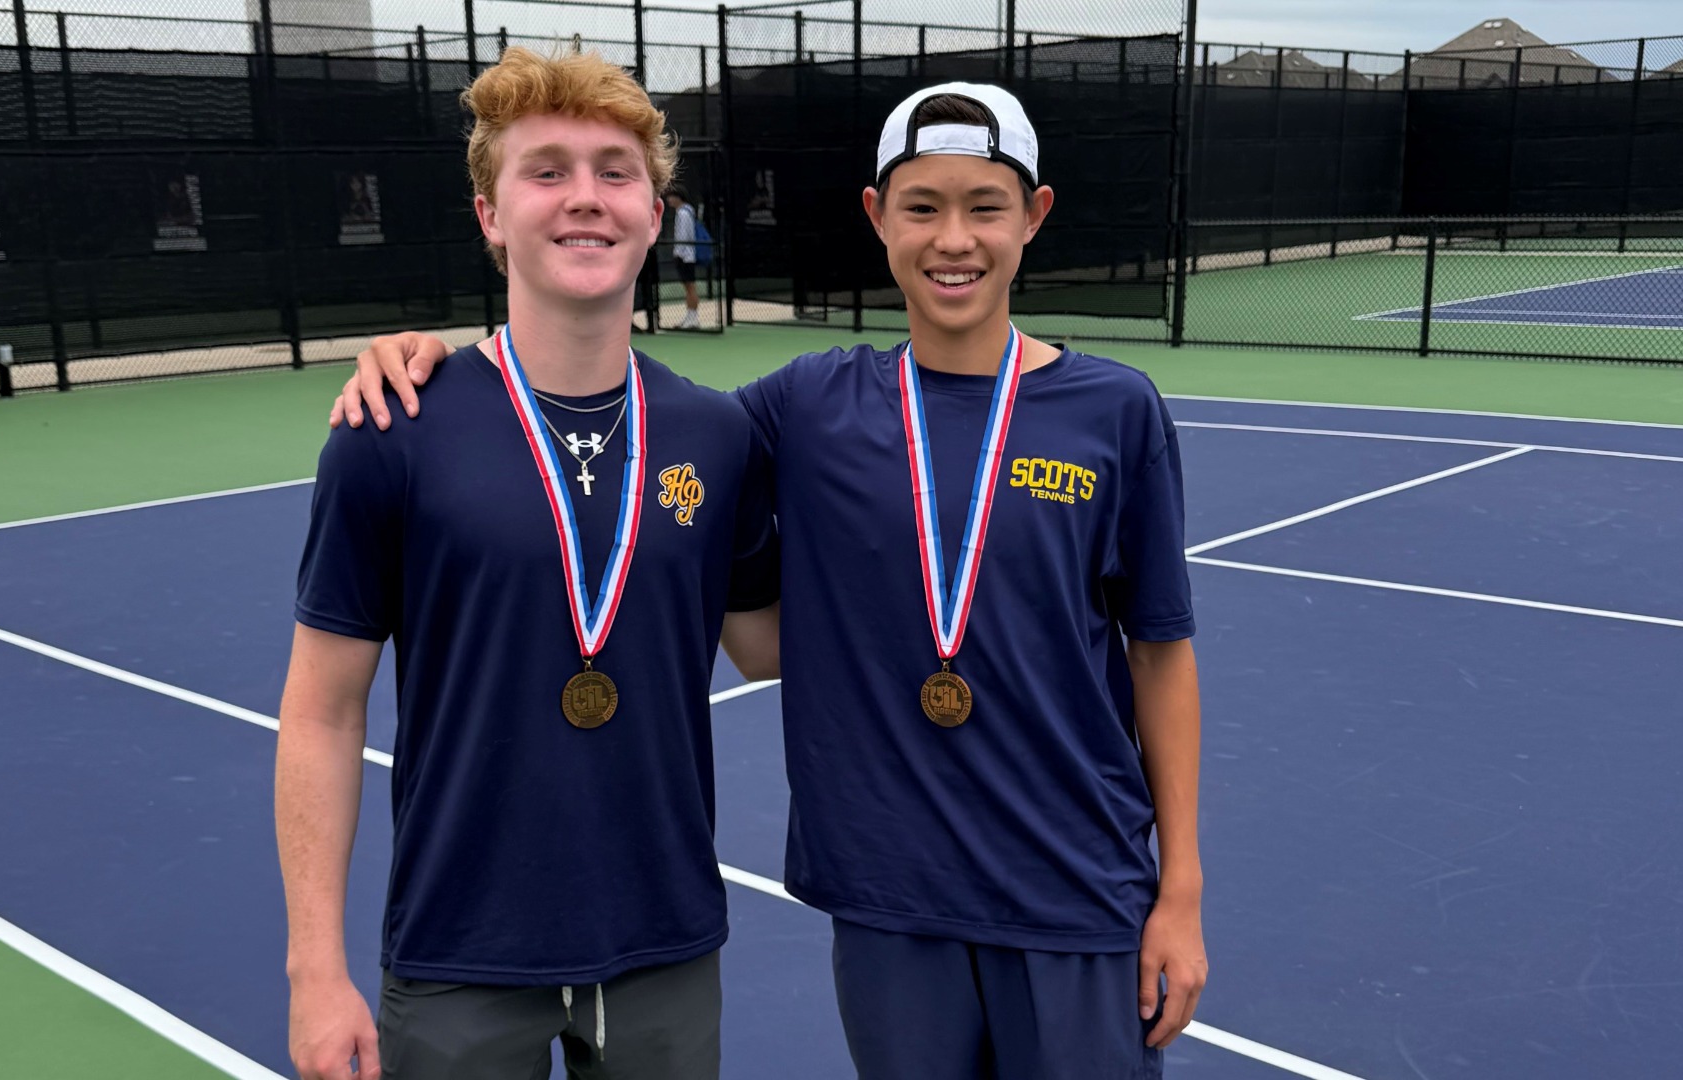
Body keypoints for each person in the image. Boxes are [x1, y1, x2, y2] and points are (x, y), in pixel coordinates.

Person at [331, 82, 1208, 1080]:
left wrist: (1177, 892)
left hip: (1075, 889)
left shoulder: (1114, 411)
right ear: (878, 217)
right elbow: (615, 401)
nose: (952, 238)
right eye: (922, 206)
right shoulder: (808, 405)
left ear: (1034, 215)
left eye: (984, 206)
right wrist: (442, 361)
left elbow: (1160, 654)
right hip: (889, 898)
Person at [276, 46, 780, 1080]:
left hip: (664, 945)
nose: (584, 198)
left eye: (613, 172)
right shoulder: (393, 429)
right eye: (546, 171)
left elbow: (770, 650)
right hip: (462, 952)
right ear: (490, 217)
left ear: (655, 211)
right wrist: (314, 972)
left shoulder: (717, 436)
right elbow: (322, 712)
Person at [666, 188, 702, 328]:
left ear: (678, 197)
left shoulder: (683, 213)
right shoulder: (686, 211)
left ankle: (693, 319)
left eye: (671, 197)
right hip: (687, 256)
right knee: (689, 287)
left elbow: (683, 236)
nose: (668, 200)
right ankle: (690, 317)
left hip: (685, 257)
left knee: (690, 287)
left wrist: (679, 254)